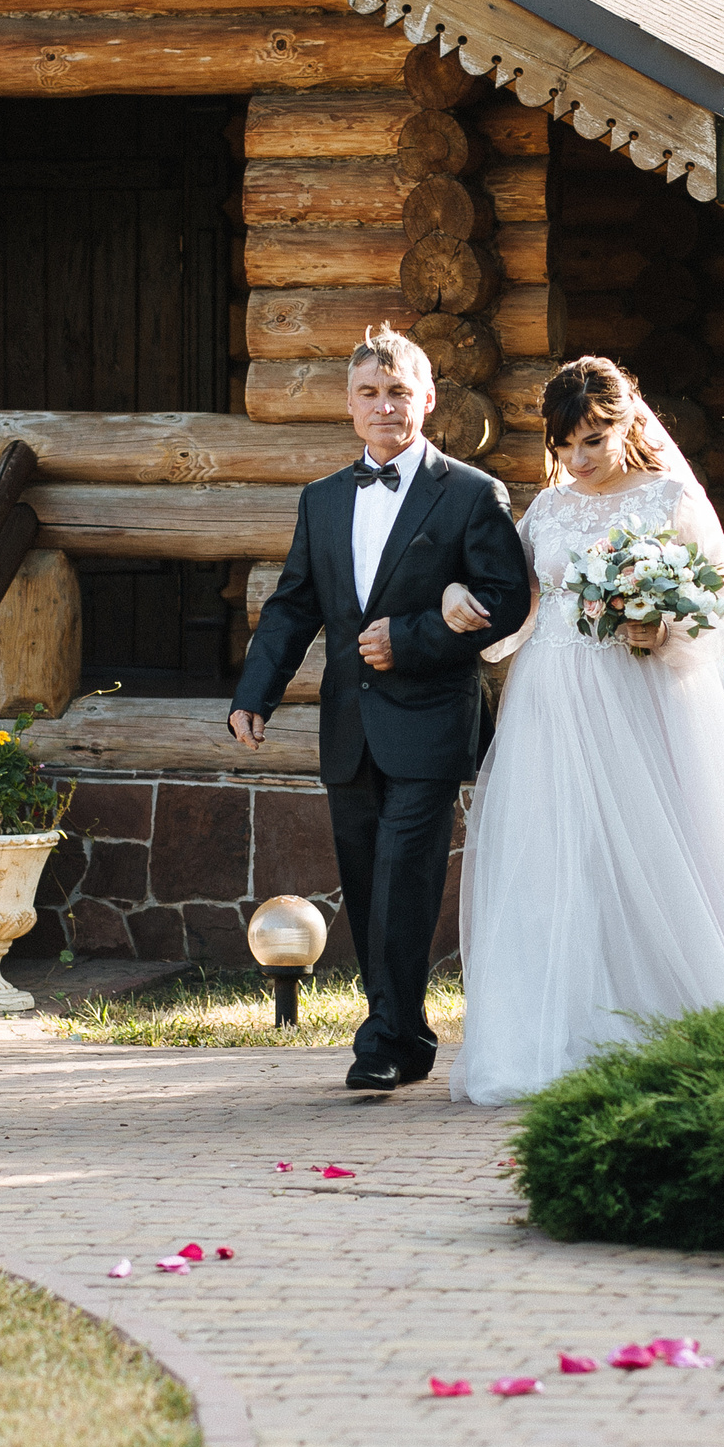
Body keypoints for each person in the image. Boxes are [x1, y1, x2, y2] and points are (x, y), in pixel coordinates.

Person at [437, 356, 724, 1106]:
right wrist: (456, 600)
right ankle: (561, 1030)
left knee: (656, 844)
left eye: (592, 441)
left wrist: (661, 626)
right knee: (558, 853)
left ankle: (679, 1014)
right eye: (565, 444)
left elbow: (720, 602)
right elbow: (521, 602)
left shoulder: (667, 498)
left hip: (634, 698)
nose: (577, 459)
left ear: (625, 423)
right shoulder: (548, 509)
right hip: (548, 700)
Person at [229, 327, 534, 1092]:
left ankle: (385, 1037)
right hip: (350, 726)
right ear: (349, 405)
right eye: (370, 393)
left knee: (404, 875)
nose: (385, 406)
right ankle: (399, 1029)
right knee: (366, 881)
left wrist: (413, 638)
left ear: (427, 400)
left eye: (399, 392)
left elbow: (505, 603)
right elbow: (294, 605)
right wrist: (253, 694)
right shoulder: (323, 499)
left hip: (431, 720)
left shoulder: (470, 493)